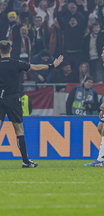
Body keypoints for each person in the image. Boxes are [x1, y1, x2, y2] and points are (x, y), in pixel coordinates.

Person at [0, 40, 63, 168]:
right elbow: (36, 67)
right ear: (10, 49)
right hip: (13, 99)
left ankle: (26, 161)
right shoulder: (17, 64)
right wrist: (52, 65)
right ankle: (25, 161)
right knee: (19, 130)